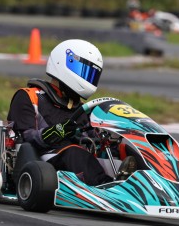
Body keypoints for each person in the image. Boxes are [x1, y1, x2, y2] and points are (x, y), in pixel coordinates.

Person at [7, 39, 114, 186]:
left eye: (91, 75)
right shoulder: (30, 96)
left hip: (78, 160)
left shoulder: (83, 109)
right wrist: (56, 131)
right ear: (62, 64)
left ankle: (136, 183)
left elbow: (92, 139)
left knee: (118, 151)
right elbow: (24, 138)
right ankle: (105, 187)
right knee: (74, 152)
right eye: (83, 71)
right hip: (43, 159)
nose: (87, 78)